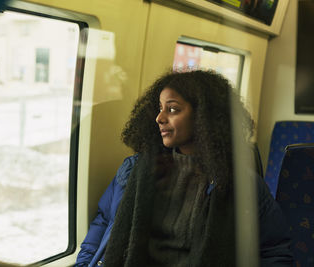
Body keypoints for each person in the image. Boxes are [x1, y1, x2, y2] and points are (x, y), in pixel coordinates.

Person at [75, 70, 293, 267]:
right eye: (159, 109)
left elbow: (274, 252)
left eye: (172, 109)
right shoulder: (134, 170)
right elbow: (103, 222)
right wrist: (84, 264)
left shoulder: (241, 185)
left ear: (203, 117)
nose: (159, 118)